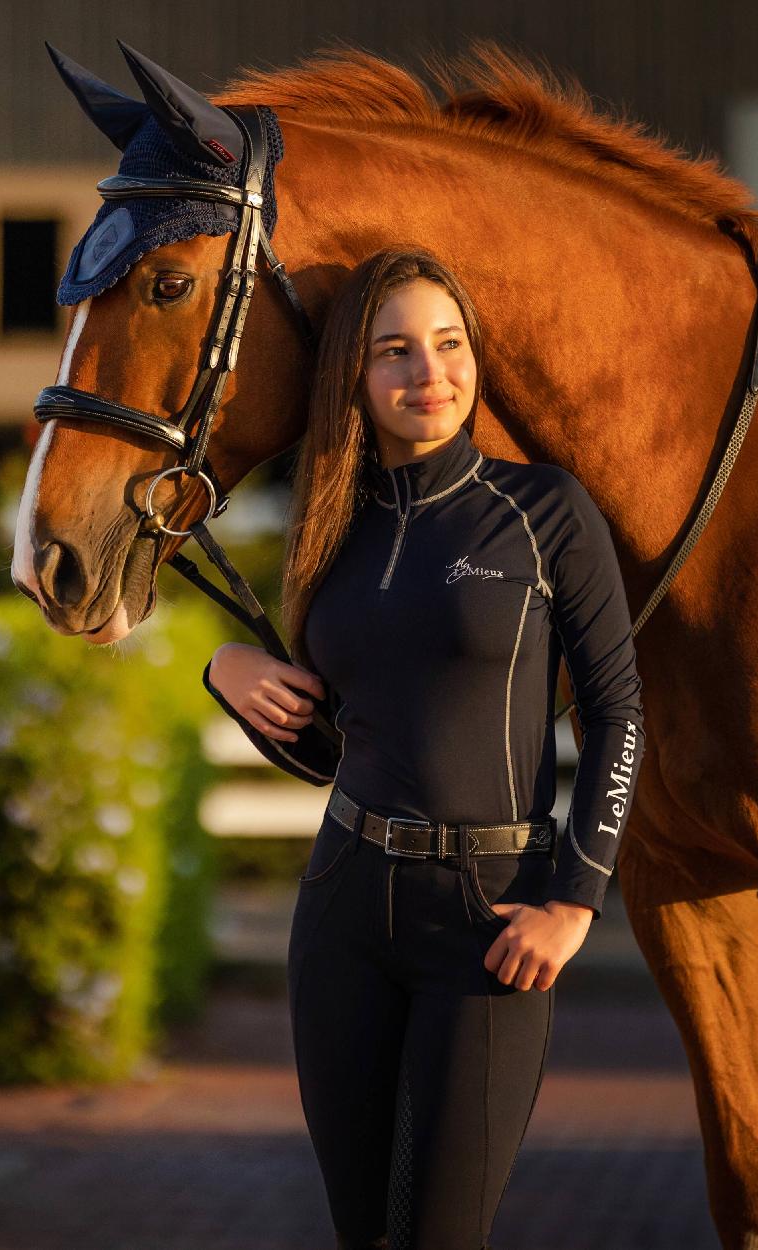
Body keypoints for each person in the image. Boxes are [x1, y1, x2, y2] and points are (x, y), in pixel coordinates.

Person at [204, 247, 645, 1250]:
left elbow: (618, 707)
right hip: (342, 908)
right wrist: (229, 671)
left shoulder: (544, 511)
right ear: (353, 376)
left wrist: (574, 897)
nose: (428, 373)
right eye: (394, 351)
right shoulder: (330, 529)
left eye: (447, 345)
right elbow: (322, 750)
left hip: (485, 920)